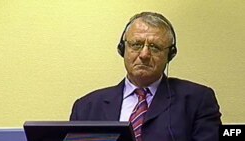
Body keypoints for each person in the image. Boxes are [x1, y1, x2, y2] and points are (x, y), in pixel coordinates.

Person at [70, 12, 222, 141]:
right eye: (136, 44)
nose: (144, 55)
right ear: (123, 49)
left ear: (170, 55)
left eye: (155, 47)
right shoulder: (86, 107)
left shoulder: (197, 100)